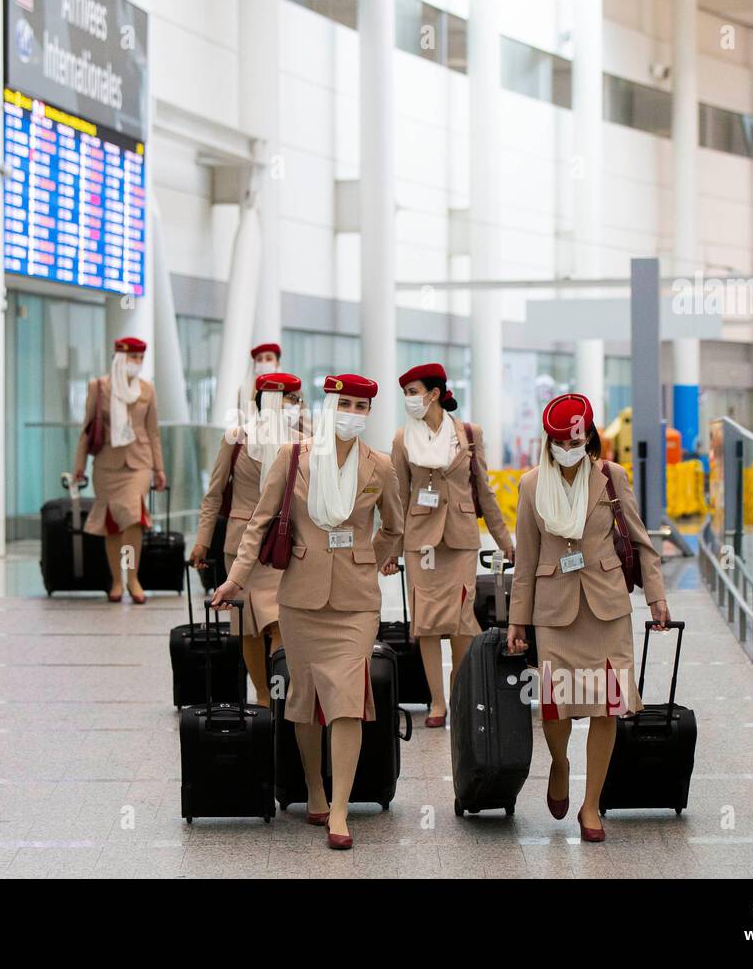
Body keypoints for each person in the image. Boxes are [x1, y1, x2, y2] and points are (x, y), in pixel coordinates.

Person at [212, 374, 402, 849]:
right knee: (305, 699)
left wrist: (368, 558)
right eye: (347, 404)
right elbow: (257, 523)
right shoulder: (293, 457)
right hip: (299, 596)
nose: (354, 414)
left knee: (348, 700)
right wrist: (237, 578)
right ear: (330, 403)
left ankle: (340, 809)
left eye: (363, 407)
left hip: (357, 603)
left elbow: (395, 527)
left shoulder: (379, 465)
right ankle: (314, 786)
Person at [506, 392, 671, 843]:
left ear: (588, 436)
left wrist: (655, 596)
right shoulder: (530, 485)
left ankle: (591, 805)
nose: (569, 448)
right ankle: (560, 765)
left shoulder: (612, 478)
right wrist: (516, 621)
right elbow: (525, 561)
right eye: (560, 441)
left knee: (608, 705)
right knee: (555, 706)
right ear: (550, 442)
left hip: (607, 606)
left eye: (576, 439)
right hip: (554, 609)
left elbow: (641, 541)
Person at [385, 363, 515, 727]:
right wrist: (391, 552)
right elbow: (395, 497)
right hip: (420, 541)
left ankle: (459, 692)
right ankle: (437, 701)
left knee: (460, 618)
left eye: (414, 391)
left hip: (459, 538)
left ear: (435, 394)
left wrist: (505, 541)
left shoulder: (469, 435)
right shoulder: (402, 439)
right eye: (406, 393)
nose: (409, 399)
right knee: (426, 621)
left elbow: (485, 492)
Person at [190, 372, 305, 706]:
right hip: (241, 546)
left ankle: (283, 690)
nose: (296, 407)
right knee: (248, 626)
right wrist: (202, 539)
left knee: (280, 619)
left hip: (283, 543)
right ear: (269, 401)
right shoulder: (237, 439)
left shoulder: (302, 441)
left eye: (298, 401)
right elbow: (213, 495)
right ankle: (263, 694)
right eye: (290, 399)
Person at [72, 337, 166, 604]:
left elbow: (153, 432)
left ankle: (133, 578)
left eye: (140, 358)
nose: (137, 363)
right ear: (119, 358)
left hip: (139, 463)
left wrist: (159, 468)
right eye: (132, 357)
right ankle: (116, 580)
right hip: (107, 463)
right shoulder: (99, 387)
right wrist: (79, 466)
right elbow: (86, 428)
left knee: (134, 517)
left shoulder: (147, 389)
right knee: (111, 522)